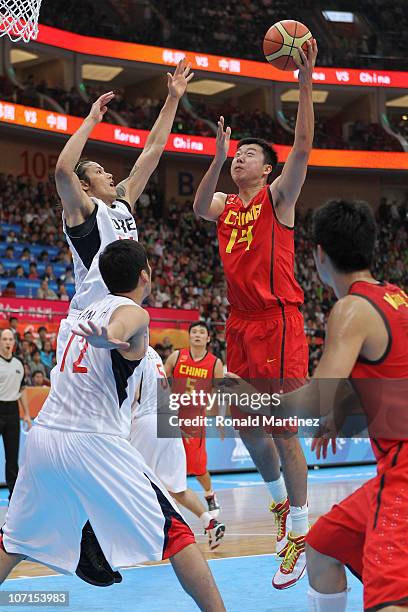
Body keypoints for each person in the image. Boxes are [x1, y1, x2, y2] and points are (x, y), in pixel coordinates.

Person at [0, 240, 225, 612]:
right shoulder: (132, 313)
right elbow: (129, 319)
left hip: (44, 439)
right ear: (145, 275)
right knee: (177, 534)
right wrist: (114, 333)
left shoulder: (76, 315)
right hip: (92, 441)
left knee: (14, 542)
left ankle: (89, 541)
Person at [54, 59, 193, 585]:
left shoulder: (125, 206)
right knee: (105, 440)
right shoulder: (84, 216)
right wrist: (88, 118)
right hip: (97, 332)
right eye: (101, 173)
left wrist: (174, 98)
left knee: (116, 438)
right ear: (89, 188)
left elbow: (153, 151)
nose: (110, 174)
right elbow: (64, 171)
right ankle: (103, 535)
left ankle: (90, 535)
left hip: (124, 330)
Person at [192, 39, 318, 588]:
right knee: (245, 426)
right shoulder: (226, 206)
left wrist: (306, 81)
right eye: (236, 154)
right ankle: (278, 508)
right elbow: (199, 206)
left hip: (279, 320)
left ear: (266, 169)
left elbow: (306, 143)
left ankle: (300, 531)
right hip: (239, 324)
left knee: (283, 431)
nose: (239, 156)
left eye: (246, 154)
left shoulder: (278, 198)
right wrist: (216, 157)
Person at [259, 199, 408, 612]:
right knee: (323, 545)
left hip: (403, 471)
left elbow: (317, 394)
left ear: (319, 254)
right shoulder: (396, 297)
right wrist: (338, 415)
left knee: (389, 601)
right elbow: (386, 377)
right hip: (394, 465)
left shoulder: (351, 309)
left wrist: (260, 404)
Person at [131, 345, 225, 550]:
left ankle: (154, 533)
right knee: (176, 487)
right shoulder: (152, 352)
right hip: (169, 419)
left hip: (146, 422)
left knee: (134, 481)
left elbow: (134, 393)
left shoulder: (129, 352)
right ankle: (209, 521)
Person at [165, 322, 225, 517]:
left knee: (198, 467)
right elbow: (160, 379)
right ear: (189, 336)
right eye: (194, 332)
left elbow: (220, 392)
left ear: (208, 338)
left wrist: (220, 417)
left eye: (202, 332)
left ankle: (210, 495)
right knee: (169, 462)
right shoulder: (176, 356)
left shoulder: (215, 363)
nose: (197, 335)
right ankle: (171, 502)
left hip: (194, 419)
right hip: (172, 416)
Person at [0, 329, 32, 499]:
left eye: (10, 339)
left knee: (12, 458)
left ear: (14, 342)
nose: (7, 342)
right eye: (4, 339)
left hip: (13, 412)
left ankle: (14, 495)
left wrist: (26, 414)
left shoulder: (19, 363)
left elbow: (22, 390)